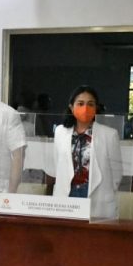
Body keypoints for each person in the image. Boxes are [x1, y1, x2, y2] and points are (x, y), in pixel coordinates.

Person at [50, 85, 122, 218]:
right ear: (71, 107)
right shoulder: (60, 131)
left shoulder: (109, 134)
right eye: (80, 103)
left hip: (97, 197)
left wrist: (106, 194)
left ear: (96, 108)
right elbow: (57, 165)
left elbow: (116, 173)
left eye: (90, 104)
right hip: (67, 194)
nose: (85, 108)